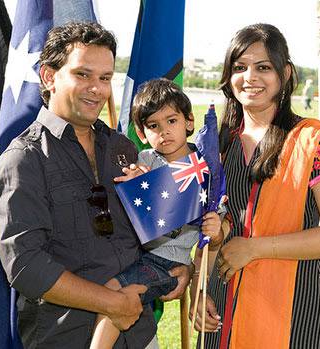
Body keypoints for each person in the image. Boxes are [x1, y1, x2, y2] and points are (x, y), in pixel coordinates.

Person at [0, 22, 191, 349]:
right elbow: (27, 266)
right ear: (48, 76)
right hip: (65, 337)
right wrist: (110, 303)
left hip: (139, 335)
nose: (97, 88)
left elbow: (153, 235)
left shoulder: (123, 150)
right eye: (83, 75)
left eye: (105, 78)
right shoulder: (22, 161)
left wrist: (183, 266)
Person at [190, 23, 320, 348]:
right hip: (222, 315)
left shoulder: (316, 141)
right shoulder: (217, 145)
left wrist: (255, 248)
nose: (250, 78)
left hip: (294, 315)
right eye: (240, 67)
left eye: (263, 67)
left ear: (285, 73)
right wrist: (198, 291)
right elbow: (207, 230)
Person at [90, 78, 229, 349]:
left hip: (168, 263)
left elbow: (215, 233)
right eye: (154, 126)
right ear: (142, 134)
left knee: (114, 295)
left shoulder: (204, 168)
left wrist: (216, 232)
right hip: (136, 255)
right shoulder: (145, 162)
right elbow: (128, 212)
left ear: (189, 122)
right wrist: (134, 184)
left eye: (171, 121)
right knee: (111, 296)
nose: (164, 131)